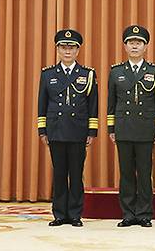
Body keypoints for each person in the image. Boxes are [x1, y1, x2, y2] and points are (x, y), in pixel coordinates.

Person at [38, 29, 98, 227]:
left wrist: (92, 131)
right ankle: (59, 214)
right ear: (57, 49)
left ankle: (74, 214)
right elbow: (42, 104)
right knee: (59, 173)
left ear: (78, 50)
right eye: (63, 47)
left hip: (78, 131)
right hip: (56, 130)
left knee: (76, 173)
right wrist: (42, 130)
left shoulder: (87, 74)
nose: (67, 51)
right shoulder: (48, 74)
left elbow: (93, 105)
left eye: (71, 47)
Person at [108, 25, 155, 228]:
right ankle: (128, 213)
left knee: (144, 173)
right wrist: (111, 128)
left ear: (146, 46)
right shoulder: (116, 71)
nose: (134, 46)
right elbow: (111, 102)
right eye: (131, 42)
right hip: (123, 128)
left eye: (138, 42)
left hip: (145, 128)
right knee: (125, 173)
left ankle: (144, 213)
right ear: (125, 46)